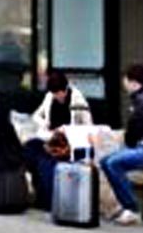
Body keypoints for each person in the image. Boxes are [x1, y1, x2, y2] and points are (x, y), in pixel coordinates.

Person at [23, 70, 92, 209]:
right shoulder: (49, 97)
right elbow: (36, 115)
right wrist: (45, 124)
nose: (58, 97)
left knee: (45, 160)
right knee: (28, 149)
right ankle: (35, 192)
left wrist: (66, 129)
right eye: (55, 94)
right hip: (50, 136)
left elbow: (88, 126)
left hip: (68, 142)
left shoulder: (77, 98)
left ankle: (47, 201)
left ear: (66, 89)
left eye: (60, 93)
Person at [100, 64, 143, 226]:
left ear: (134, 82)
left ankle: (132, 209)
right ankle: (127, 207)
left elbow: (133, 131)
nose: (124, 84)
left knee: (112, 162)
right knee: (106, 162)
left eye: (125, 80)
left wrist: (130, 144)